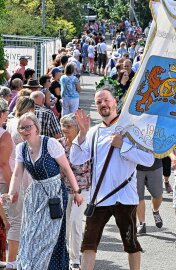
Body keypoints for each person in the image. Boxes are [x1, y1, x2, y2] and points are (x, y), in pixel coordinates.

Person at [70, 86, 154, 270]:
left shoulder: (131, 128)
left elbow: (148, 160)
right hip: (99, 198)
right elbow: (75, 159)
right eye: (98, 102)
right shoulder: (93, 132)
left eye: (106, 100)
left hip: (125, 197)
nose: (103, 104)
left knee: (131, 244)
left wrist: (123, 145)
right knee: (88, 245)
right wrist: (82, 133)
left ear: (115, 101)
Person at [8, 112, 83, 269]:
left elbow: (67, 169)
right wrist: (11, 193)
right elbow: (17, 173)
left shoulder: (50, 144)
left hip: (54, 194)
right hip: (35, 195)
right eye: (22, 128)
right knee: (30, 235)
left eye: (28, 127)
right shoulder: (21, 148)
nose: (25, 131)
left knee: (50, 236)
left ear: (37, 127)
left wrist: (76, 191)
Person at [5, 97, 35, 269]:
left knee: (16, 218)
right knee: (20, 219)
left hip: (14, 168)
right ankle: (14, 260)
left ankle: (14, 258)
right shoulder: (23, 124)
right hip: (21, 171)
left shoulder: (10, 122)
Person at [58, 114, 91, 270]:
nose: (64, 129)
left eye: (68, 126)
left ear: (78, 128)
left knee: (75, 222)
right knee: (64, 225)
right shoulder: (58, 145)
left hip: (82, 190)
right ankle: (65, 254)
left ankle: (75, 258)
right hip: (63, 191)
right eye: (62, 125)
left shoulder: (86, 145)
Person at [136, 158, 164, 234]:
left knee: (157, 195)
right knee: (138, 196)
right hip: (135, 166)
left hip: (155, 165)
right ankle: (142, 223)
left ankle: (155, 211)